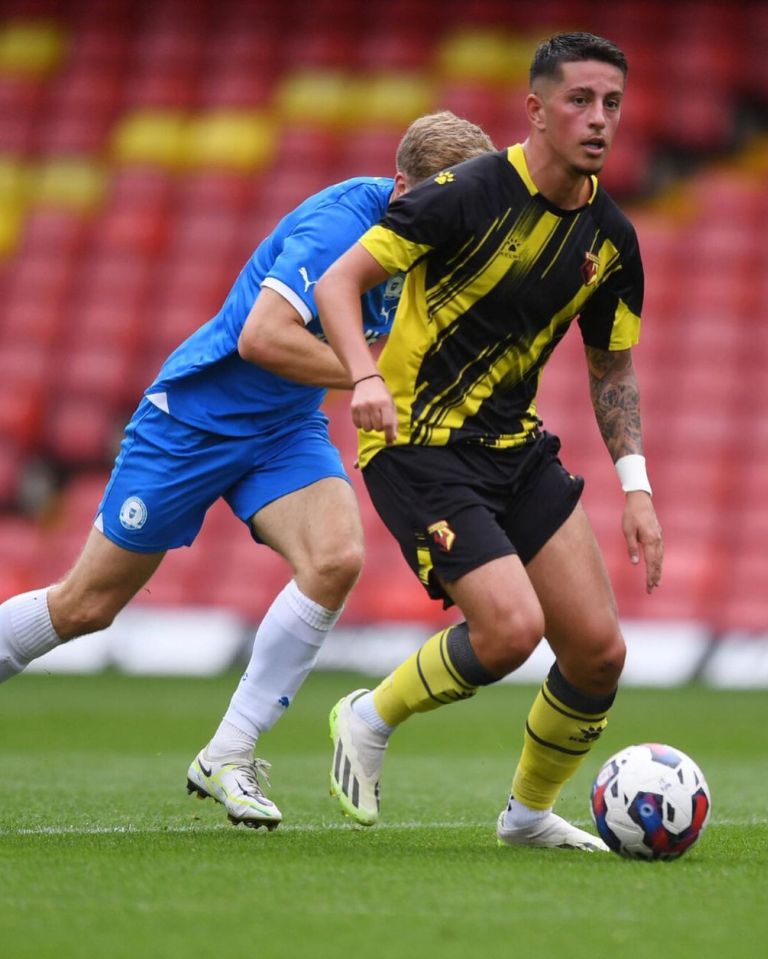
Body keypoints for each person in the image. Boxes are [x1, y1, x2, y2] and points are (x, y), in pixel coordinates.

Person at [0, 111, 495, 830]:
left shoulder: (434, 237)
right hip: (194, 420)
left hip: (283, 427)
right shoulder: (339, 227)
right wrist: (370, 380)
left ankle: (229, 752)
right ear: (401, 187)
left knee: (335, 559)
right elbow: (263, 336)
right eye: (446, 201)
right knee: (84, 606)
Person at [316, 32, 664, 852]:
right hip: (414, 442)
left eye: (611, 103)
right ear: (536, 111)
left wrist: (638, 488)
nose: (598, 119)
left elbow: (611, 368)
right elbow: (339, 283)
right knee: (509, 630)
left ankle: (527, 814)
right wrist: (363, 377)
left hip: (512, 447)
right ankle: (367, 715)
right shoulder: (464, 193)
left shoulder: (611, 240)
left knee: (598, 653)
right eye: (579, 101)